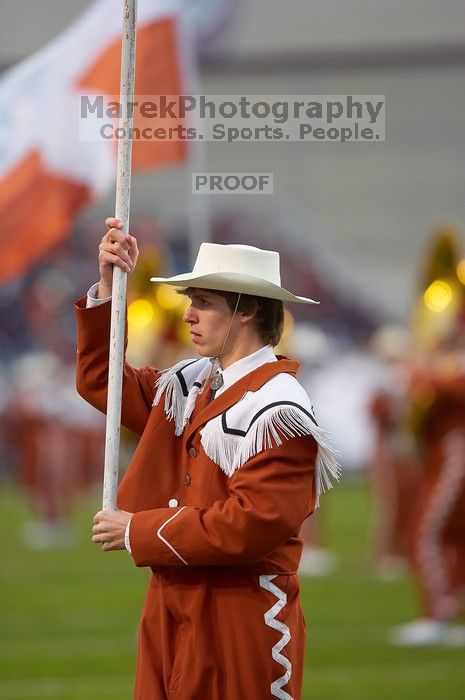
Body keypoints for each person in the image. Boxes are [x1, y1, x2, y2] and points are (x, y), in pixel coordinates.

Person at [75, 218, 339, 699]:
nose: (188, 316)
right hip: (170, 599)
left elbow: (251, 525)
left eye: (204, 302)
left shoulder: (280, 408)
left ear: (247, 310)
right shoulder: (190, 382)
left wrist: (138, 529)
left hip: (242, 611)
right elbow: (102, 383)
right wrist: (108, 287)